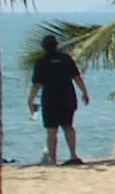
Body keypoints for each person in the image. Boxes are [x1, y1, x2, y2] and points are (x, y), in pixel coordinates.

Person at [27, 33, 87, 165]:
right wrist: (84, 92)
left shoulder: (41, 62)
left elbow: (37, 84)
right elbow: (77, 77)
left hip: (50, 99)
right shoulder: (66, 59)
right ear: (57, 45)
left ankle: (53, 160)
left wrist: (30, 100)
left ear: (44, 47)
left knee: (51, 130)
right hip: (68, 98)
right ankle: (73, 155)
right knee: (68, 126)